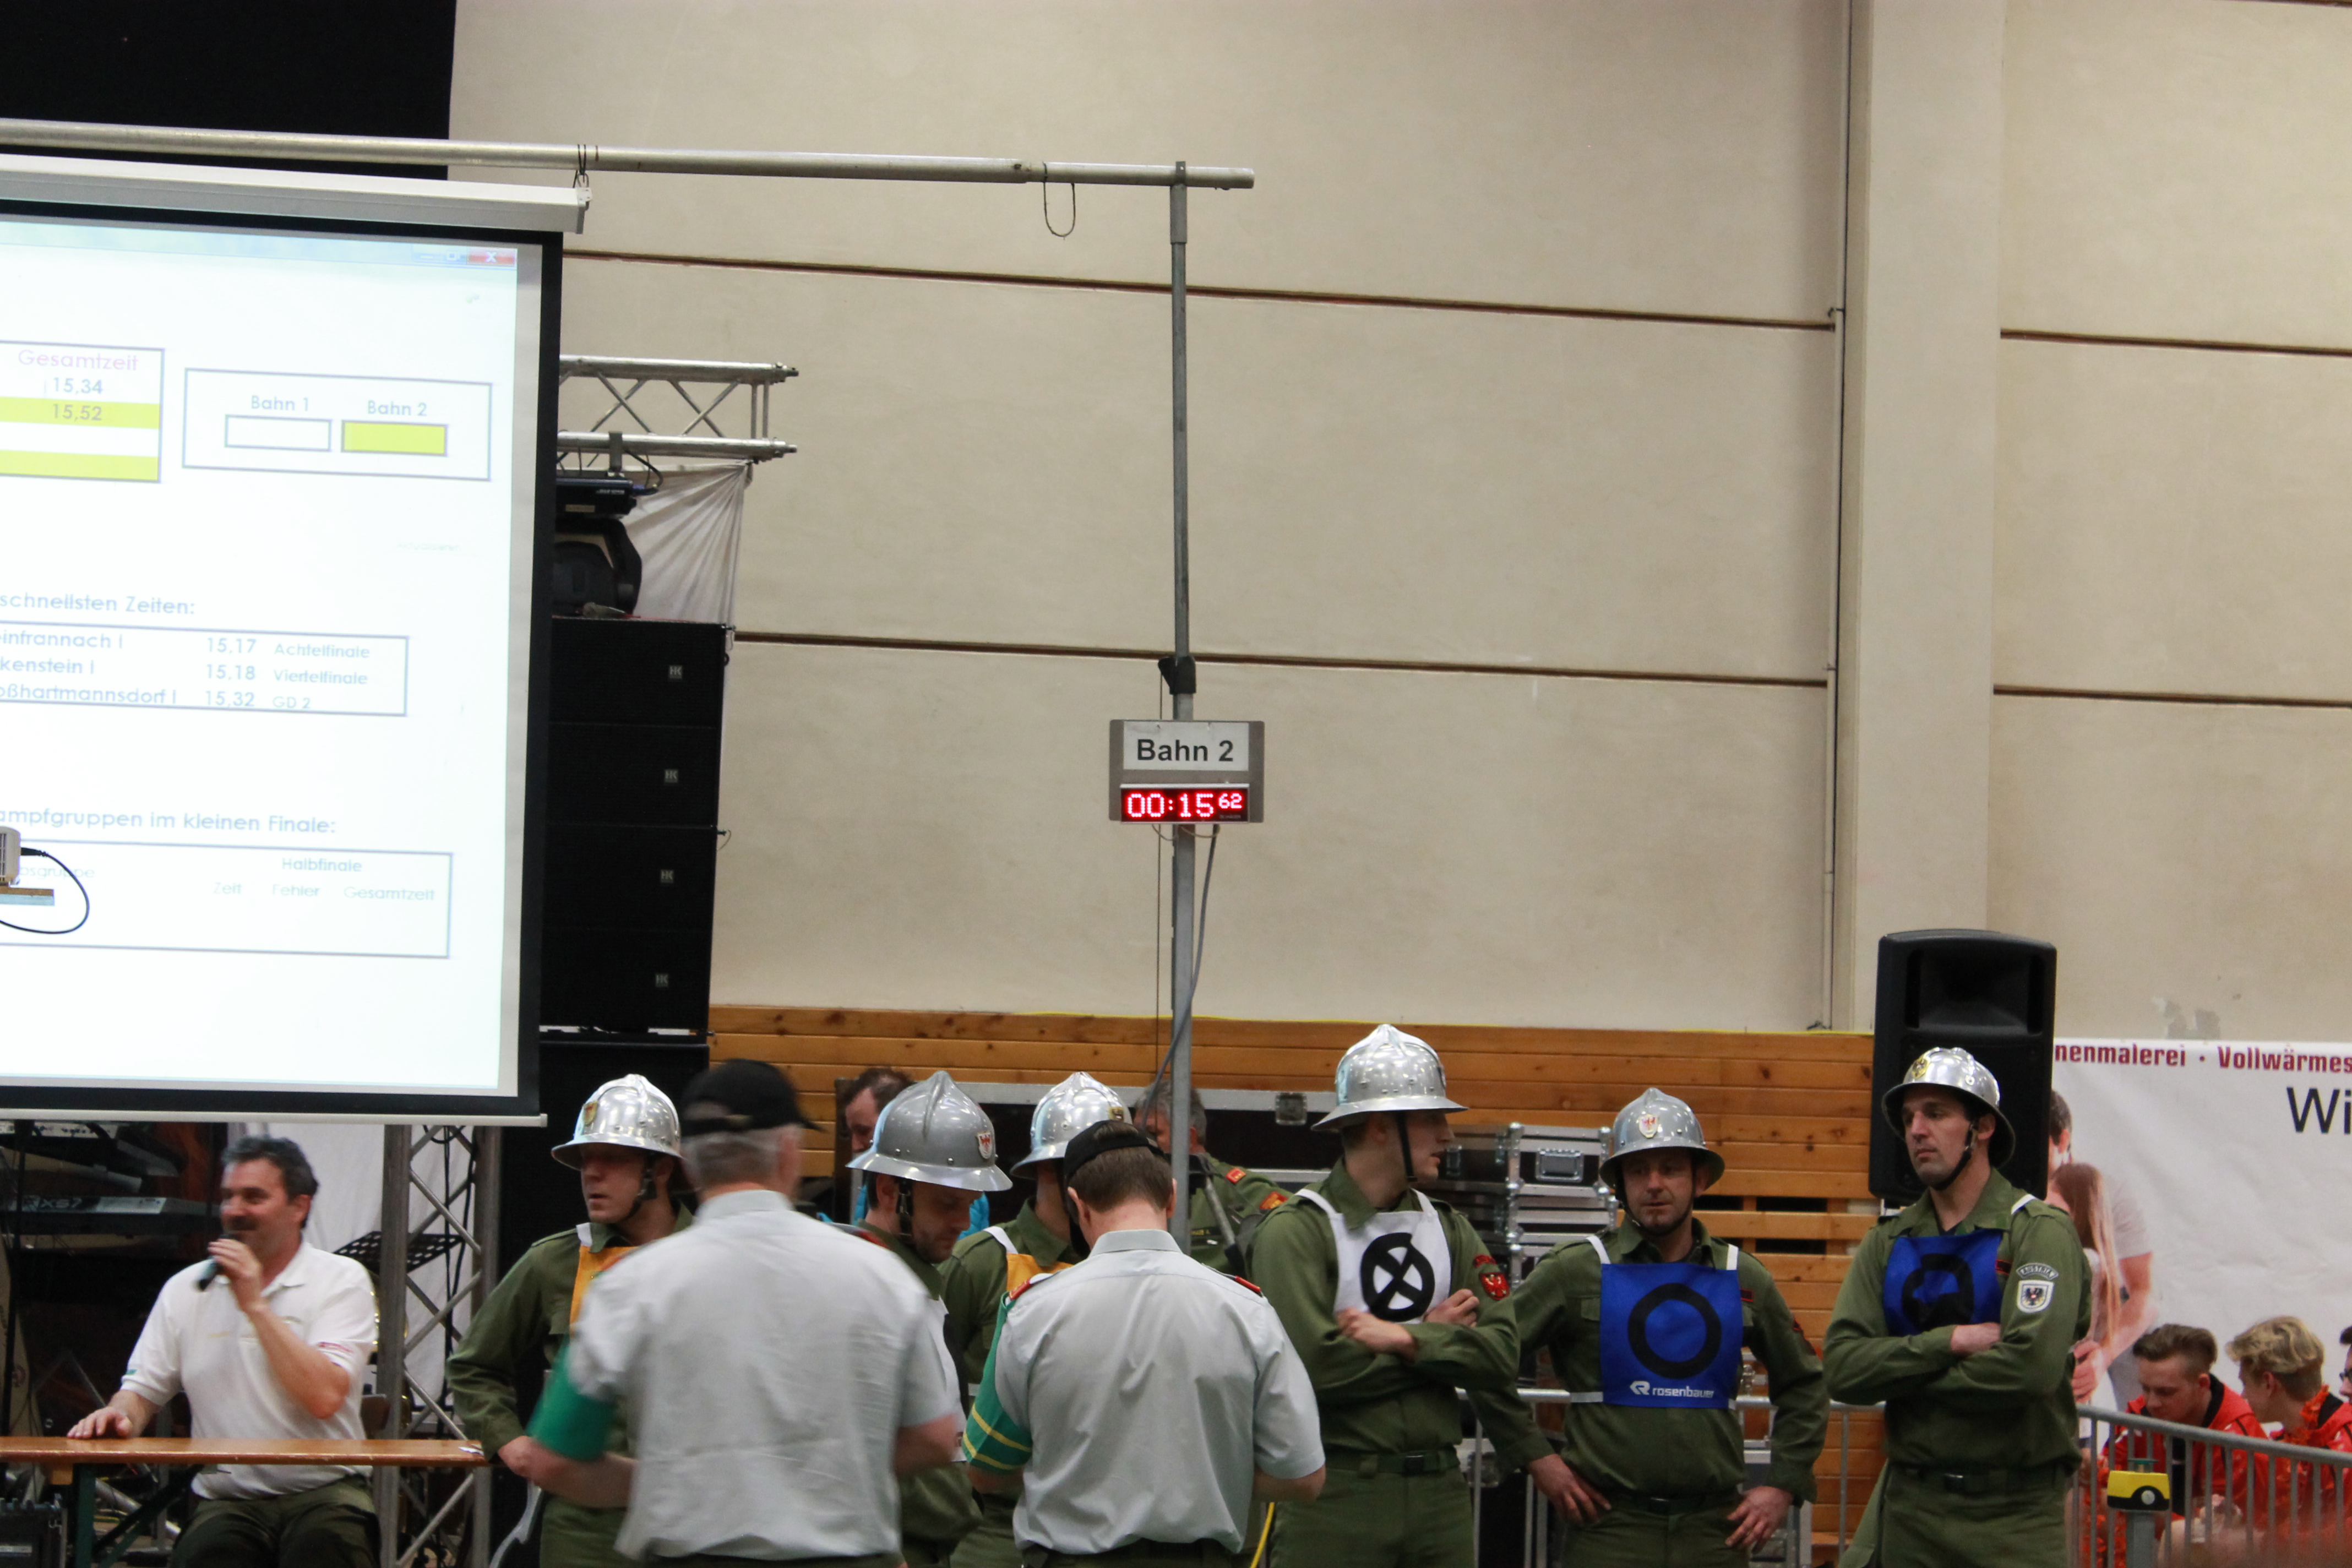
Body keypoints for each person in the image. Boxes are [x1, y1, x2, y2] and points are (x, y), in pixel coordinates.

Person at [508, 1058, 962, 1567]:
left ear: (687, 1164)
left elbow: (555, 1459)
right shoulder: (882, 1277)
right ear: (789, 1153)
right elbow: (934, 1438)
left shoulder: (628, 1288)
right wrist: (824, 1472)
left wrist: (674, 1480)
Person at [1453, 1088, 1827, 1566]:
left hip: (1714, 1535)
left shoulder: (1742, 1276)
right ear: (1620, 1186)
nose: (1654, 1184)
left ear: (1700, 1180)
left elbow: (1805, 1383)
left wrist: (1782, 1485)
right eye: (1638, 1171)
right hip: (1609, 1532)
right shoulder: (1575, 1270)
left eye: (1670, 1169)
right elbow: (1484, 1358)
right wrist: (1536, 1457)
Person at [962, 1119, 1326, 1566]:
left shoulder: (1031, 1313)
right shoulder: (1247, 1311)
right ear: (1172, 1197)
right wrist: (1209, 1476)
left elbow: (984, 1468)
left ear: (1078, 1206)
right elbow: (1304, 1478)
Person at [1248, 1025, 1524, 1568]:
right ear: (1379, 1127)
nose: (1447, 1136)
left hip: (1441, 1497)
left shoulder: (1449, 1229)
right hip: (1337, 1497)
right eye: (1430, 1119)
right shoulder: (1297, 1231)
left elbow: (1500, 1355)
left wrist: (1404, 1338)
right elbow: (1315, 1370)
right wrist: (1438, 1342)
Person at [1822, 1047, 2089, 1567]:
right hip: (1912, 1512)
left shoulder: (2038, 1231)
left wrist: (1902, 1379)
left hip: (2016, 1519)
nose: (1917, 1131)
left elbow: (2030, 1369)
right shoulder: (1888, 1241)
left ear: (1982, 1127)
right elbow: (1842, 1368)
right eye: (1908, 1118)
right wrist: (1951, 1342)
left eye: (1936, 1113)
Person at [69, 1136, 378, 1567]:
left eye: (254, 1197)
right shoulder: (186, 1289)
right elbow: (143, 1390)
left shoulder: (341, 1280)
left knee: (325, 1546)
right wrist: (120, 1415)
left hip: (324, 1490)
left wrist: (255, 1303)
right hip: (228, 1497)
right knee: (210, 1553)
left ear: (299, 1207)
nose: (235, 1211)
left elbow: (324, 1398)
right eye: (228, 1197)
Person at [448, 1074, 688, 1568]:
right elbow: (473, 1365)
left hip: (694, 1522)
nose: (592, 1174)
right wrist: (510, 1443)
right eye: (585, 1160)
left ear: (660, 1168)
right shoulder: (555, 1261)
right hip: (584, 1532)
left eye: (612, 1158)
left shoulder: (716, 1257)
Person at [939, 1070, 1129, 1568]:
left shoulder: (1136, 1269)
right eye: (1095, 1171)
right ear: (1050, 1172)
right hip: (994, 1528)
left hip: (1109, 1525)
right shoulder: (981, 1264)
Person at [847, 1070, 1014, 1566]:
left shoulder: (919, 1284)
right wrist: (957, 1506)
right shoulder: (864, 1289)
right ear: (888, 1191)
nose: (962, 1222)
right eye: (947, 1204)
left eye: (970, 1204)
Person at [2093, 1324, 2266, 1554]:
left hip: (2221, 1552)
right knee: (2084, 1499)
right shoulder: (2140, 1414)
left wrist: (2151, 1508)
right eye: (2146, 1389)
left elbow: (2227, 1529)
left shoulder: (2235, 1437)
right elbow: (2107, 1479)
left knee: (2181, 1537)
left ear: (2202, 1385)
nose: (2152, 1402)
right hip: (2159, 1536)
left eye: (2166, 1392)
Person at [2049, 1093, 2156, 1402]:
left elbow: (2144, 1293)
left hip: (2103, 1322)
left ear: (2062, 1140)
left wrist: (2103, 1356)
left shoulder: (2108, 1189)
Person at [1135, 1080, 1289, 1272]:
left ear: (1187, 1138)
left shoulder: (1233, 1189)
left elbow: (1294, 1225)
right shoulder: (1132, 1190)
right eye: (1137, 1135)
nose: (1142, 1144)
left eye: (1153, 1134)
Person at [2228, 1316, 2352, 1532]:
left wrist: (2262, 1542)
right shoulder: (2283, 1442)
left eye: (2245, 1384)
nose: (2243, 1395)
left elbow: (2339, 1542)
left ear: (2269, 1383)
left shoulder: (2343, 1443)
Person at [2048, 1163, 2126, 1411]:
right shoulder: (2098, 1262)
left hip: (2068, 1382)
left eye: (2053, 1209)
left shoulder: (2085, 1261)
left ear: (2078, 1210)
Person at [838, 1065, 912, 1221]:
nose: (855, 1147)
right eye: (851, 1133)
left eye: (863, 1131)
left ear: (895, 1121)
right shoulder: (876, 1178)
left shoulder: (937, 1183)